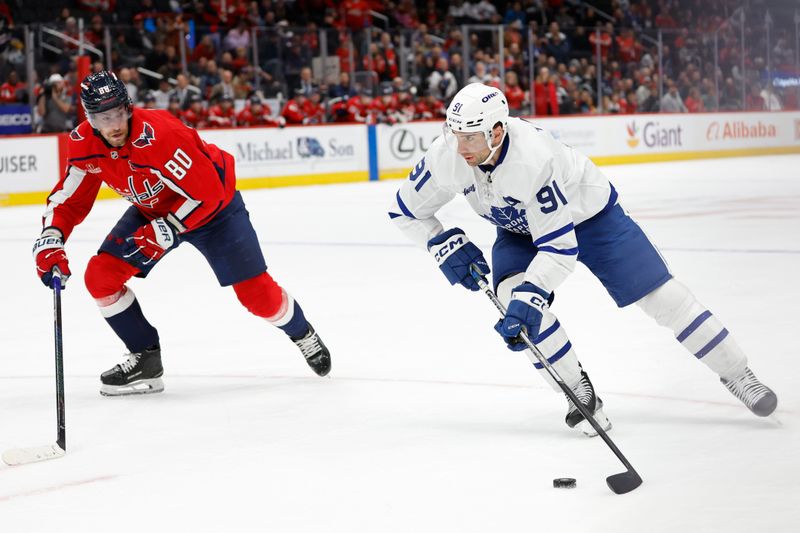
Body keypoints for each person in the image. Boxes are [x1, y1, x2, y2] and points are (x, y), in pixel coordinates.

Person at [388, 83, 777, 435]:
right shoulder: (448, 155)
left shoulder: (534, 159)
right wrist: (441, 242)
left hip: (593, 219)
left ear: (497, 131)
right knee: (511, 299)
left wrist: (533, 293)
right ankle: (577, 389)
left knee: (665, 299)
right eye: (455, 135)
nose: (460, 147)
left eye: (469, 137)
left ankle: (739, 374)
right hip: (519, 231)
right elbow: (405, 211)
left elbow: (559, 250)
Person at [32, 71, 331, 396]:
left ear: (129, 107)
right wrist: (52, 236)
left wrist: (168, 228)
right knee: (101, 276)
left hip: (216, 211)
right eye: (104, 117)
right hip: (155, 211)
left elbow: (209, 191)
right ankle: (146, 359)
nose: (114, 125)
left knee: (257, 297)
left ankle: (301, 332)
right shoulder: (84, 144)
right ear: (90, 119)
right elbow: (70, 198)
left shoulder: (161, 133)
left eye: (118, 113)